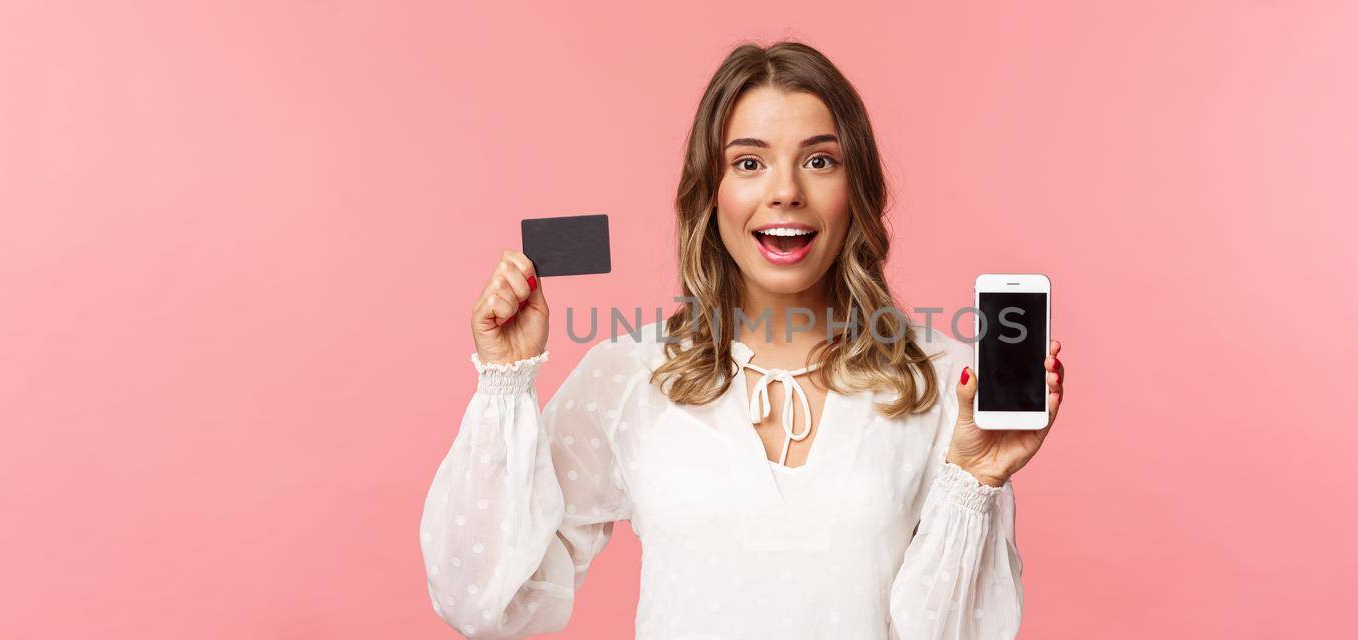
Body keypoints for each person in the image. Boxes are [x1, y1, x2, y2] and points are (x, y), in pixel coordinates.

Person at [419, 40, 1065, 639]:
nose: (785, 191)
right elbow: (488, 603)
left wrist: (974, 479)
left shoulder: (943, 380)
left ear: (856, 188)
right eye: (749, 162)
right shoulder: (629, 374)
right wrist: (506, 383)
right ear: (711, 191)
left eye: (819, 161)